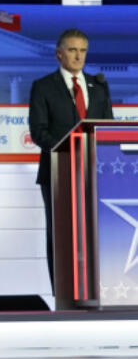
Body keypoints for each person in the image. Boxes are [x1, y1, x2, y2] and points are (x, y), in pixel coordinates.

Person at [28, 28, 113, 289]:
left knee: (93, 232)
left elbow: (107, 127)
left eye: (83, 51)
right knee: (61, 233)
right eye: (73, 50)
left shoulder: (98, 86)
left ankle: (94, 288)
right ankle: (62, 292)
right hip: (57, 172)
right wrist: (69, 148)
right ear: (59, 54)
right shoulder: (43, 87)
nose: (79, 56)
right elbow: (39, 131)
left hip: (92, 173)